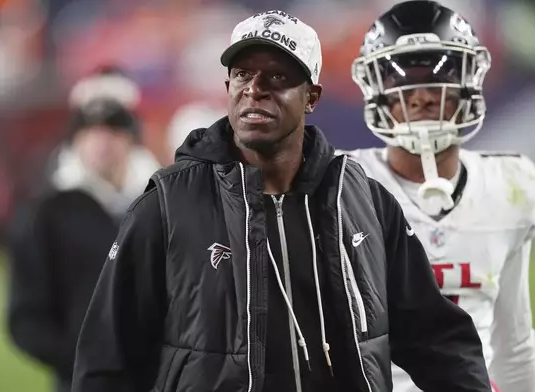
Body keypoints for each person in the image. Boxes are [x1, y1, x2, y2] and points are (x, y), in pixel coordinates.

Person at [72, 9, 491, 392]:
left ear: (312, 96)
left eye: (277, 77)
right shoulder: (166, 204)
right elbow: (107, 360)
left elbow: (436, 338)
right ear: (227, 86)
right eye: (242, 74)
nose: (254, 89)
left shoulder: (364, 200)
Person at [344, 1, 535, 391]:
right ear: (376, 88)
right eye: (402, 80)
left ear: (469, 81)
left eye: (438, 74)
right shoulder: (341, 184)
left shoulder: (511, 185)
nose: (421, 96)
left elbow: (513, 346)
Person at [6, 97, 159, 392]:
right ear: (75, 142)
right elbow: (25, 315)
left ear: (131, 140)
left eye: (113, 131)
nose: (102, 141)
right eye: (90, 132)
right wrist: (80, 360)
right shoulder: (47, 213)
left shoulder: (159, 205)